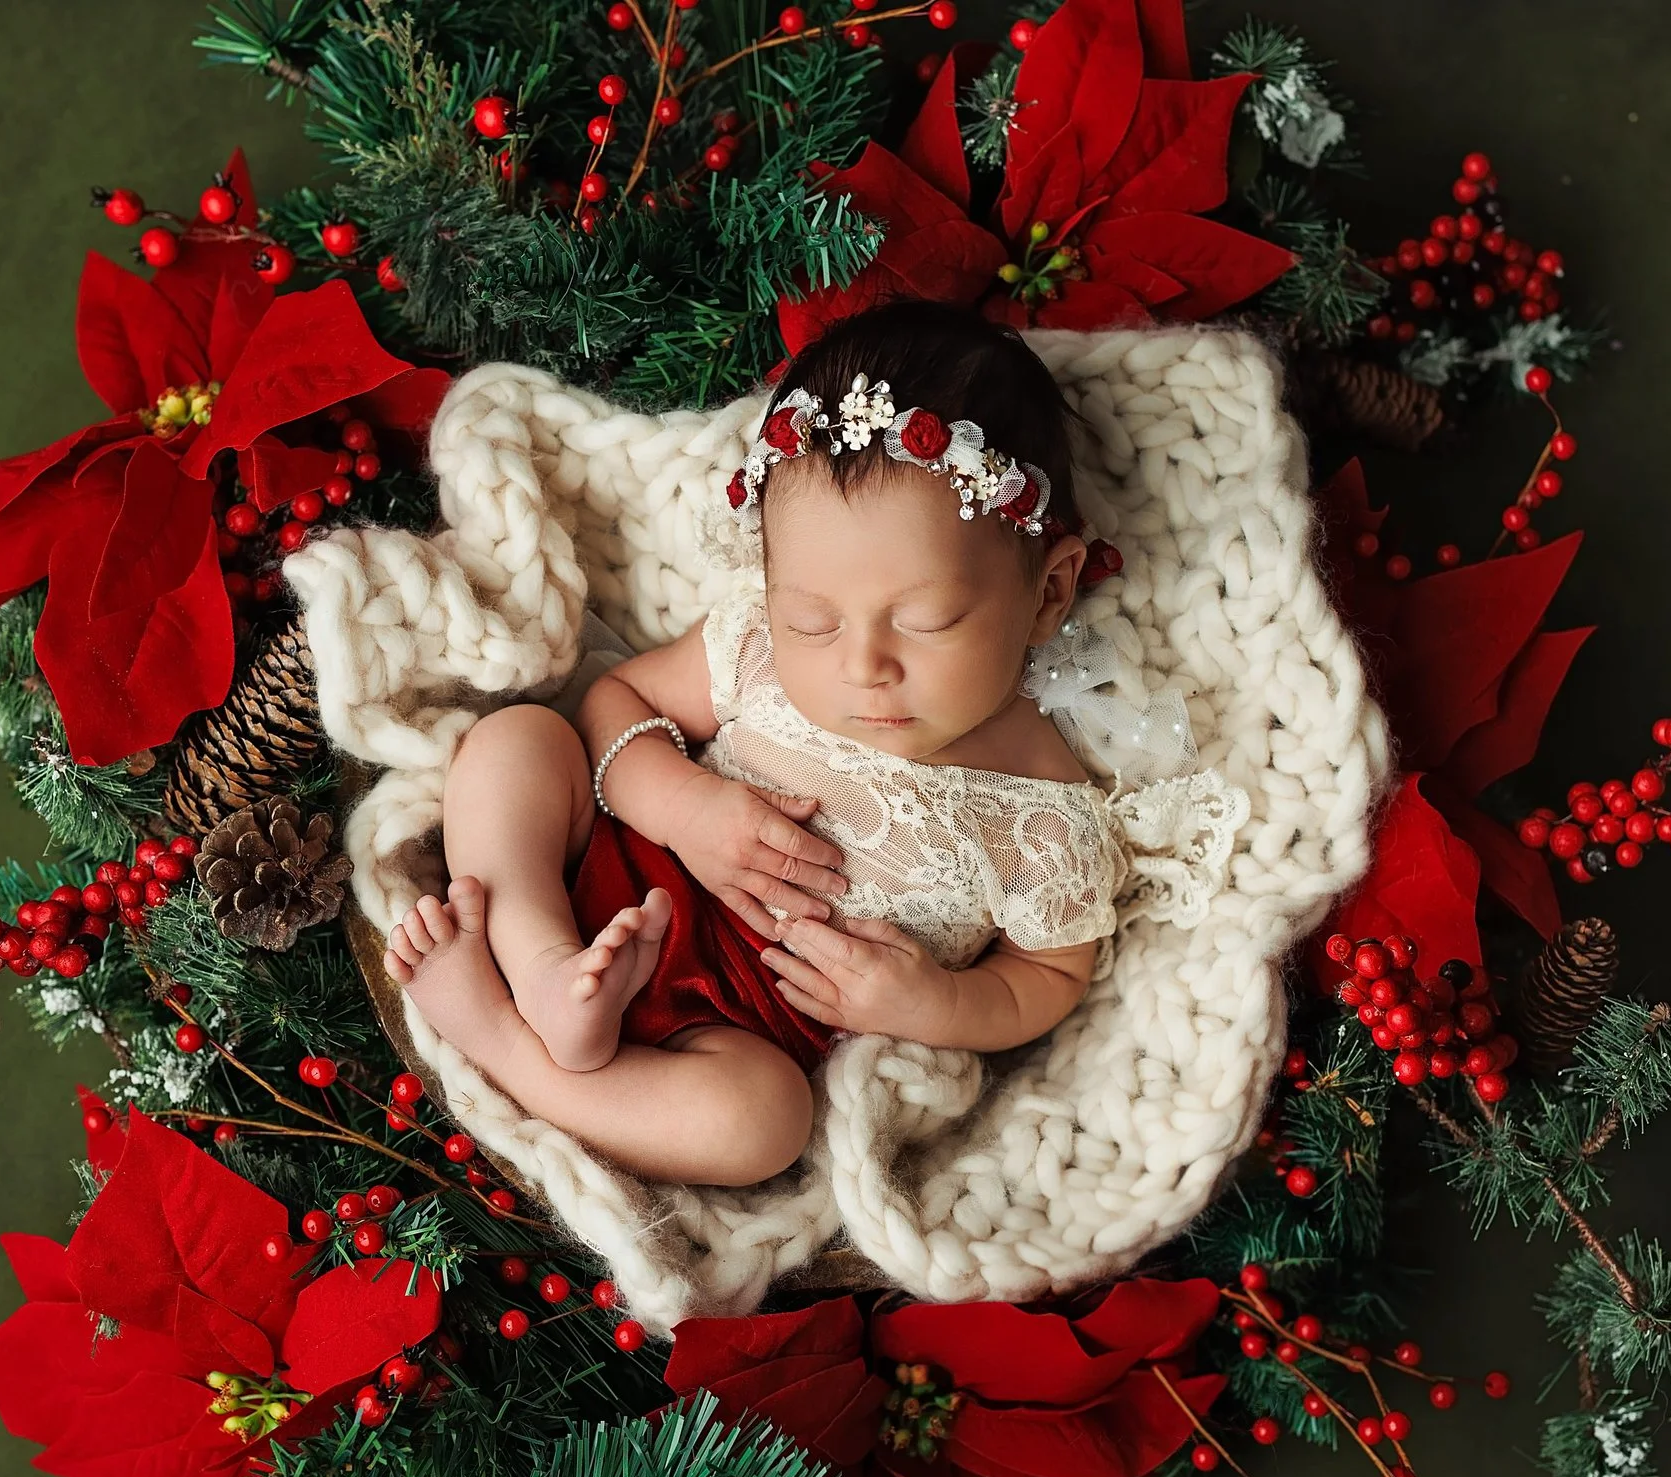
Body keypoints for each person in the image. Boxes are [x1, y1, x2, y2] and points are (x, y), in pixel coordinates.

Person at [385, 300, 1136, 1186]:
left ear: (1048, 594)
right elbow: (613, 704)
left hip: (744, 1031)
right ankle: (541, 962)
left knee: (763, 1125)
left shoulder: (1047, 812)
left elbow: (1048, 977)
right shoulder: (752, 649)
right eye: (811, 621)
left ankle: (503, 1041)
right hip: (619, 869)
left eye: (928, 622)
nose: (864, 665)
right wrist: (684, 803)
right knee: (519, 744)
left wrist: (936, 1002)